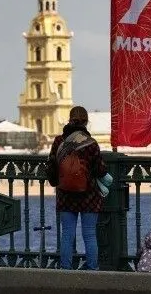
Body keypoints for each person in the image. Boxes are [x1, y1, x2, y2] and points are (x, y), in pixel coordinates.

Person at [48, 106, 107, 270]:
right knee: (89, 235)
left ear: (69, 120)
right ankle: (92, 271)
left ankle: (66, 270)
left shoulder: (59, 141)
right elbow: (101, 170)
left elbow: (52, 165)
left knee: (67, 234)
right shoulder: (91, 143)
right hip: (89, 195)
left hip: (65, 194)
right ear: (86, 122)